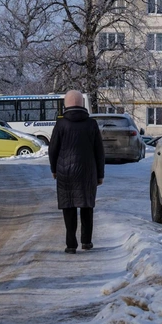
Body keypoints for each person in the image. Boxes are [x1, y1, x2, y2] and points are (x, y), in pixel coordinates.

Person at [49, 90, 105, 254]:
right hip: (88, 172)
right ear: (82, 104)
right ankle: (86, 241)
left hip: (65, 171)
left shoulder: (60, 124)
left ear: (66, 104)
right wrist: (100, 174)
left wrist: (54, 169)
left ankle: (70, 244)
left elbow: (53, 149)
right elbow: (99, 151)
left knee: (69, 206)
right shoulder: (91, 124)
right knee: (87, 206)